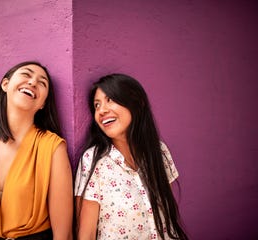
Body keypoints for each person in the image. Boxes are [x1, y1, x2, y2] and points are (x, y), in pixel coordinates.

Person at [0, 61, 73, 240]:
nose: (33, 82)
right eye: (26, 75)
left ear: (43, 103)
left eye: (42, 83)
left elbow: (63, 235)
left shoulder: (52, 147)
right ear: (5, 84)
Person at [74, 73, 188, 239]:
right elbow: (86, 234)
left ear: (137, 103)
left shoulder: (159, 151)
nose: (102, 110)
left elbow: (167, 218)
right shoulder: (93, 161)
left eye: (110, 100)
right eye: (96, 105)